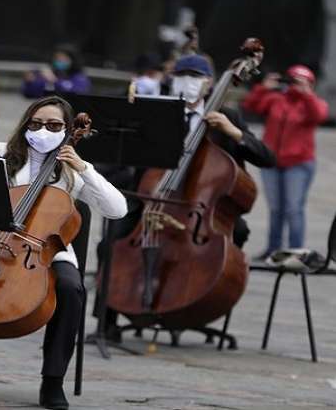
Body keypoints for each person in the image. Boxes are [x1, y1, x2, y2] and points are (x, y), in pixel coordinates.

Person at [0, 96, 127, 410]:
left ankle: (52, 381)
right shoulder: (2, 156)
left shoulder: (72, 171)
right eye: (36, 123)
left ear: (67, 130)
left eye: (54, 125)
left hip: (45, 255)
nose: (44, 130)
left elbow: (117, 209)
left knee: (70, 289)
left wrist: (83, 168)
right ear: (26, 124)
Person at [95, 54, 276, 341]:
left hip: (202, 208)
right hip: (154, 199)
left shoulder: (228, 116)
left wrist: (235, 133)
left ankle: (204, 301)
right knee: (111, 240)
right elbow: (133, 158)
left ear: (209, 84)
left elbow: (267, 158)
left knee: (236, 234)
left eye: (196, 77)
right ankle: (106, 323)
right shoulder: (159, 112)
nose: (189, 83)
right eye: (183, 76)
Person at [242, 65, 328, 258]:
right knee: (276, 209)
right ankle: (273, 250)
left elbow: (319, 116)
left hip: (299, 164)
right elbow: (250, 105)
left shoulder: (313, 103)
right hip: (272, 163)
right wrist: (264, 87)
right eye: (292, 81)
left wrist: (306, 94)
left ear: (310, 84)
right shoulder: (275, 99)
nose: (295, 85)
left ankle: (296, 252)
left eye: (301, 82)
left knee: (293, 209)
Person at [22, 45, 91, 99]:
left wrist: (55, 81)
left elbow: (75, 93)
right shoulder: (50, 74)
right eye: (57, 58)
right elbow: (29, 93)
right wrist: (30, 82)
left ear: (72, 60)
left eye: (63, 58)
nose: (60, 61)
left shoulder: (79, 77)